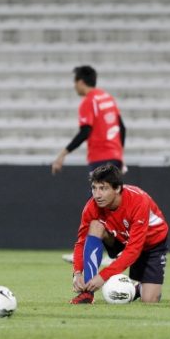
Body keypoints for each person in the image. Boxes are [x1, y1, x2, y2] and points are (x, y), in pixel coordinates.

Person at [53, 66, 126, 265]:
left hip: (101, 156)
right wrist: (121, 154)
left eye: (74, 82)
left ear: (80, 82)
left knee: (96, 204)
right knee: (112, 205)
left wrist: (63, 153)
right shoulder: (107, 98)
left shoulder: (88, 101)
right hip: (115, 156)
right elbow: (122, 127)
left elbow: (86, 131)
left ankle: (90, 251)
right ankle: (115, 251)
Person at [70, 164, 168, 304]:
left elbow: (134, 250)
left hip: (151, 245)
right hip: (120, 239)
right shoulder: (92, 206)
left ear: (117, 188)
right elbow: (81, 242)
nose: (97, 195)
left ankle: (137, 288)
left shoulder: (138, 201)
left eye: (103, 188)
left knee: (150, 300)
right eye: (94, 188)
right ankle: (87, 293)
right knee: (95, 225)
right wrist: (77, 272)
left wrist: (103, 276)